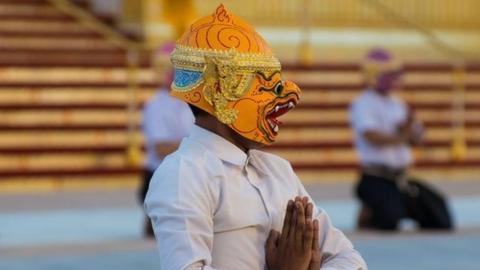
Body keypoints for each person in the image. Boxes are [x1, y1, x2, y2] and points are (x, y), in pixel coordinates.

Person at [144, 5, 367, 270]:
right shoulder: (184, 174)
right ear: (221, 92)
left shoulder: (278, 170)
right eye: (263, 86)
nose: (285, 98)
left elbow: (351, 261)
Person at [350, 48, 453, 231]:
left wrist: (410, 133)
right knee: (388, 221)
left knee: (440, 218)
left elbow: (418, 138)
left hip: (402, 178)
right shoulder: (363, 103)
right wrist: (403, 135)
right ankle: (369, 211)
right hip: (375, 177)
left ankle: (397, 206)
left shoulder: (399, 104)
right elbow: (371, 136)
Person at [140, 42, 195, 237]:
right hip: (161, 175)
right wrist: (199, 145)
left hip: (188, 174)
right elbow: (161, 148)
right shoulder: (156, 105)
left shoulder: (190, 102)